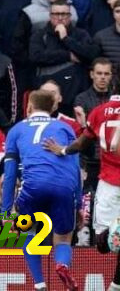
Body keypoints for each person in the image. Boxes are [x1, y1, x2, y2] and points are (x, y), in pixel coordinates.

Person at [43, 83, 120, 291]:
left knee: (102, 243)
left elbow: (82, 144)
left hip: (109, 184)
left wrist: (61, 150)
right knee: (110, 242)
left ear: (114, 84)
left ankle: (115, 286)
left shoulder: (99, 112)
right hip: (110, 183)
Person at [2, 90, 80, 291]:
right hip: (64, 187)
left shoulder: (16, 130)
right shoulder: (65, 128)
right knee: (63, 238)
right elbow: (76, 168)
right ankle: (61, 265)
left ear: (28, 107)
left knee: (28, 231)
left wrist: (6, 210)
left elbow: (10, 174)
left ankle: (39, 284)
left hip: (32, 187)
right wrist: (78, 203)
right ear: (53, 108)